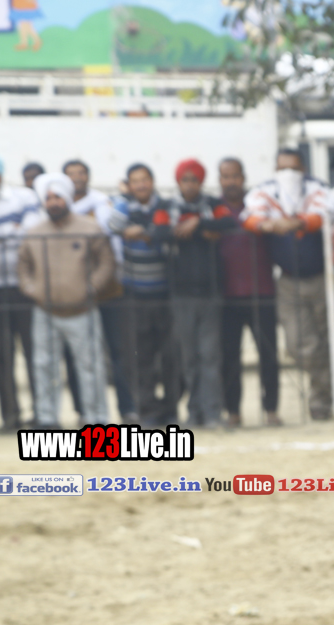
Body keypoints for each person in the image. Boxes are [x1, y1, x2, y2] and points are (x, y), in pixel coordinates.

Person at [18, 173, 116, 428]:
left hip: (82, 311)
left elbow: (106, 262)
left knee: (91, 367)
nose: (53, 202)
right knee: (43, 366)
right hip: (45, 311)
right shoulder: (35, 233)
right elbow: (23, 266)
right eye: (48, 198)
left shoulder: (89, 228)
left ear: (68, 199)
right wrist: (32, 289)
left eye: (58, 197)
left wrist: (91, 288)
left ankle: (96, 418)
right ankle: (47, 419)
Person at [244, 148, 332, 419]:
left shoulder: (318, 189)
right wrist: (269, 225)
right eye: (282, 168)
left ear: (303, 168)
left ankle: (322, 399)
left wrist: (295, 223)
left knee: (327, 340)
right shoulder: (265, 192)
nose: (288, 174)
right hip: (288, 281)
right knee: (298, 345)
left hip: (322, 278)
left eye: (293, 168)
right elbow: (249, 218)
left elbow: (325, 214)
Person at [107, 162, 180, 426]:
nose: (141, 185)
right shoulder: (125, 206)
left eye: (144, 179)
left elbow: (167, 230)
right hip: (135, 295)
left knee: (171, 356)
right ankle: (148, 411)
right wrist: (123, 202)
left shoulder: (167, 205)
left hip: (166, 292)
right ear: (129, 185)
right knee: (141, 357)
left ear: (152, 181)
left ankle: (170, 410)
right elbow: (113, 225)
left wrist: (142, 232)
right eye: (135, 181)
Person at [66, 159, 136, 423]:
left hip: (109, 286)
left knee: (119, 351)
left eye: (81, 173)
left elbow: (111, 232)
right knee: (80, 354)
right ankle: (84, 411)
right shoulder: (60, 208)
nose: (77, 177)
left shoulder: (102, 203)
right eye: (71, 174)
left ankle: (127, 409)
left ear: (88, 176)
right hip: (75, 289)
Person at [215, 158, 281, 428]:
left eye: (235, 176)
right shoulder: (215, 210)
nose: (231, 181)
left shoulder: (258, 206)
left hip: (261, 291)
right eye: (225, 176)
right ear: (220, 180)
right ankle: (233, 412)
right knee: (229, 357)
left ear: (243, 178)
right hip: (227, 295)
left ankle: (271, 410)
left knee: (269, 355)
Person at [168, 158, 227, 428]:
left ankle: (212, 412)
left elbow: (228, 222)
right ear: (178, 182)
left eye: (194, 180)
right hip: (181, 294)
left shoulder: (213, 205)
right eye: (185, 179)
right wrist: (203, 227)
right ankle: (194, 412)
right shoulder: (168, 207)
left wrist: (197, 224)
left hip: (210, 292)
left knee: (210, 357)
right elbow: (160, 231)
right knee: (189, 358)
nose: (190, 184)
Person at [0, 151, 40, 430]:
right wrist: (12, 228)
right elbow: (17, 233)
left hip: (25, 286)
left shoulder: (23, 197)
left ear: (0, 173)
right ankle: (11, 415)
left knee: (34, 352)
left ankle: (42, 413)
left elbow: (30, 232)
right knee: (0, 354)